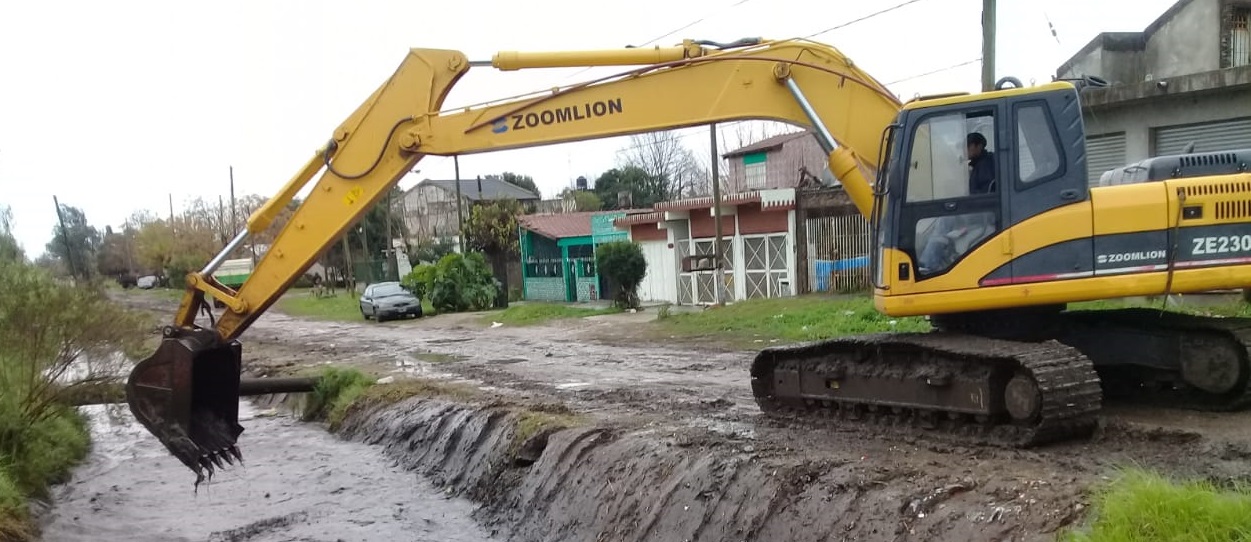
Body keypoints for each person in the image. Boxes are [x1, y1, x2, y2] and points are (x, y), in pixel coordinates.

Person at [917, 132, 997, 274]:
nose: (965, 151)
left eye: (968, 147)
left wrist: (964, 201)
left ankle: (929, 262)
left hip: (983, 211)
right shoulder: (982, 163)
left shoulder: (984, 166)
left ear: (979, 146)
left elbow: (985, 194)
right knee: (944, 217)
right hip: (979, 208)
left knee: (945, 218)